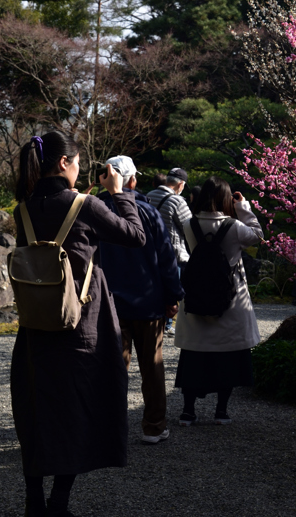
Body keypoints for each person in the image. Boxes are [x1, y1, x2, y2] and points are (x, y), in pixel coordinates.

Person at [10, 132, 146, 517]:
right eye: (78, 162)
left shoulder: (23, 207)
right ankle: (59, 503)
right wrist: (120, 193)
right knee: (78, 408)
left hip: (36, 324)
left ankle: (33, 501)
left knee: (36, 409)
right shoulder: (83, 205)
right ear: (63, 164)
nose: (81, 168)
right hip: (81, 325)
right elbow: (135, 236)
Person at [96, 155, 183, 446]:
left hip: (109, 305)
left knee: (113, 369)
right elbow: (166, 259)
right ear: (132, 180)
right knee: (152, 367)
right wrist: (173, 296)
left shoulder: (94, 211)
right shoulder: (147, 212)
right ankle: (154, 427)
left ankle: (109, 427)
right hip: (148, 301)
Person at [174, 176, 263, 425]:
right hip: (229, 301)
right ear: (226, 200)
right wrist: (243, 207)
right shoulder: (234, 226)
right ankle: (221, 411)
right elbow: (257, 235)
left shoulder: (188, 223)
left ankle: (188, 411)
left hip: (197, 297)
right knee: (228, 357)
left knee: (193, 357)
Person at [146, 167, 192, 336]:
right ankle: (167, 324)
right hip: (172, 251)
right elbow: (189, 227)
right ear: (180, 184)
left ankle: (157, 321)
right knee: (171, 287)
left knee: (154, 286)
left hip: (149, 251)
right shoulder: (177, 201)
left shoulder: (148, 195)